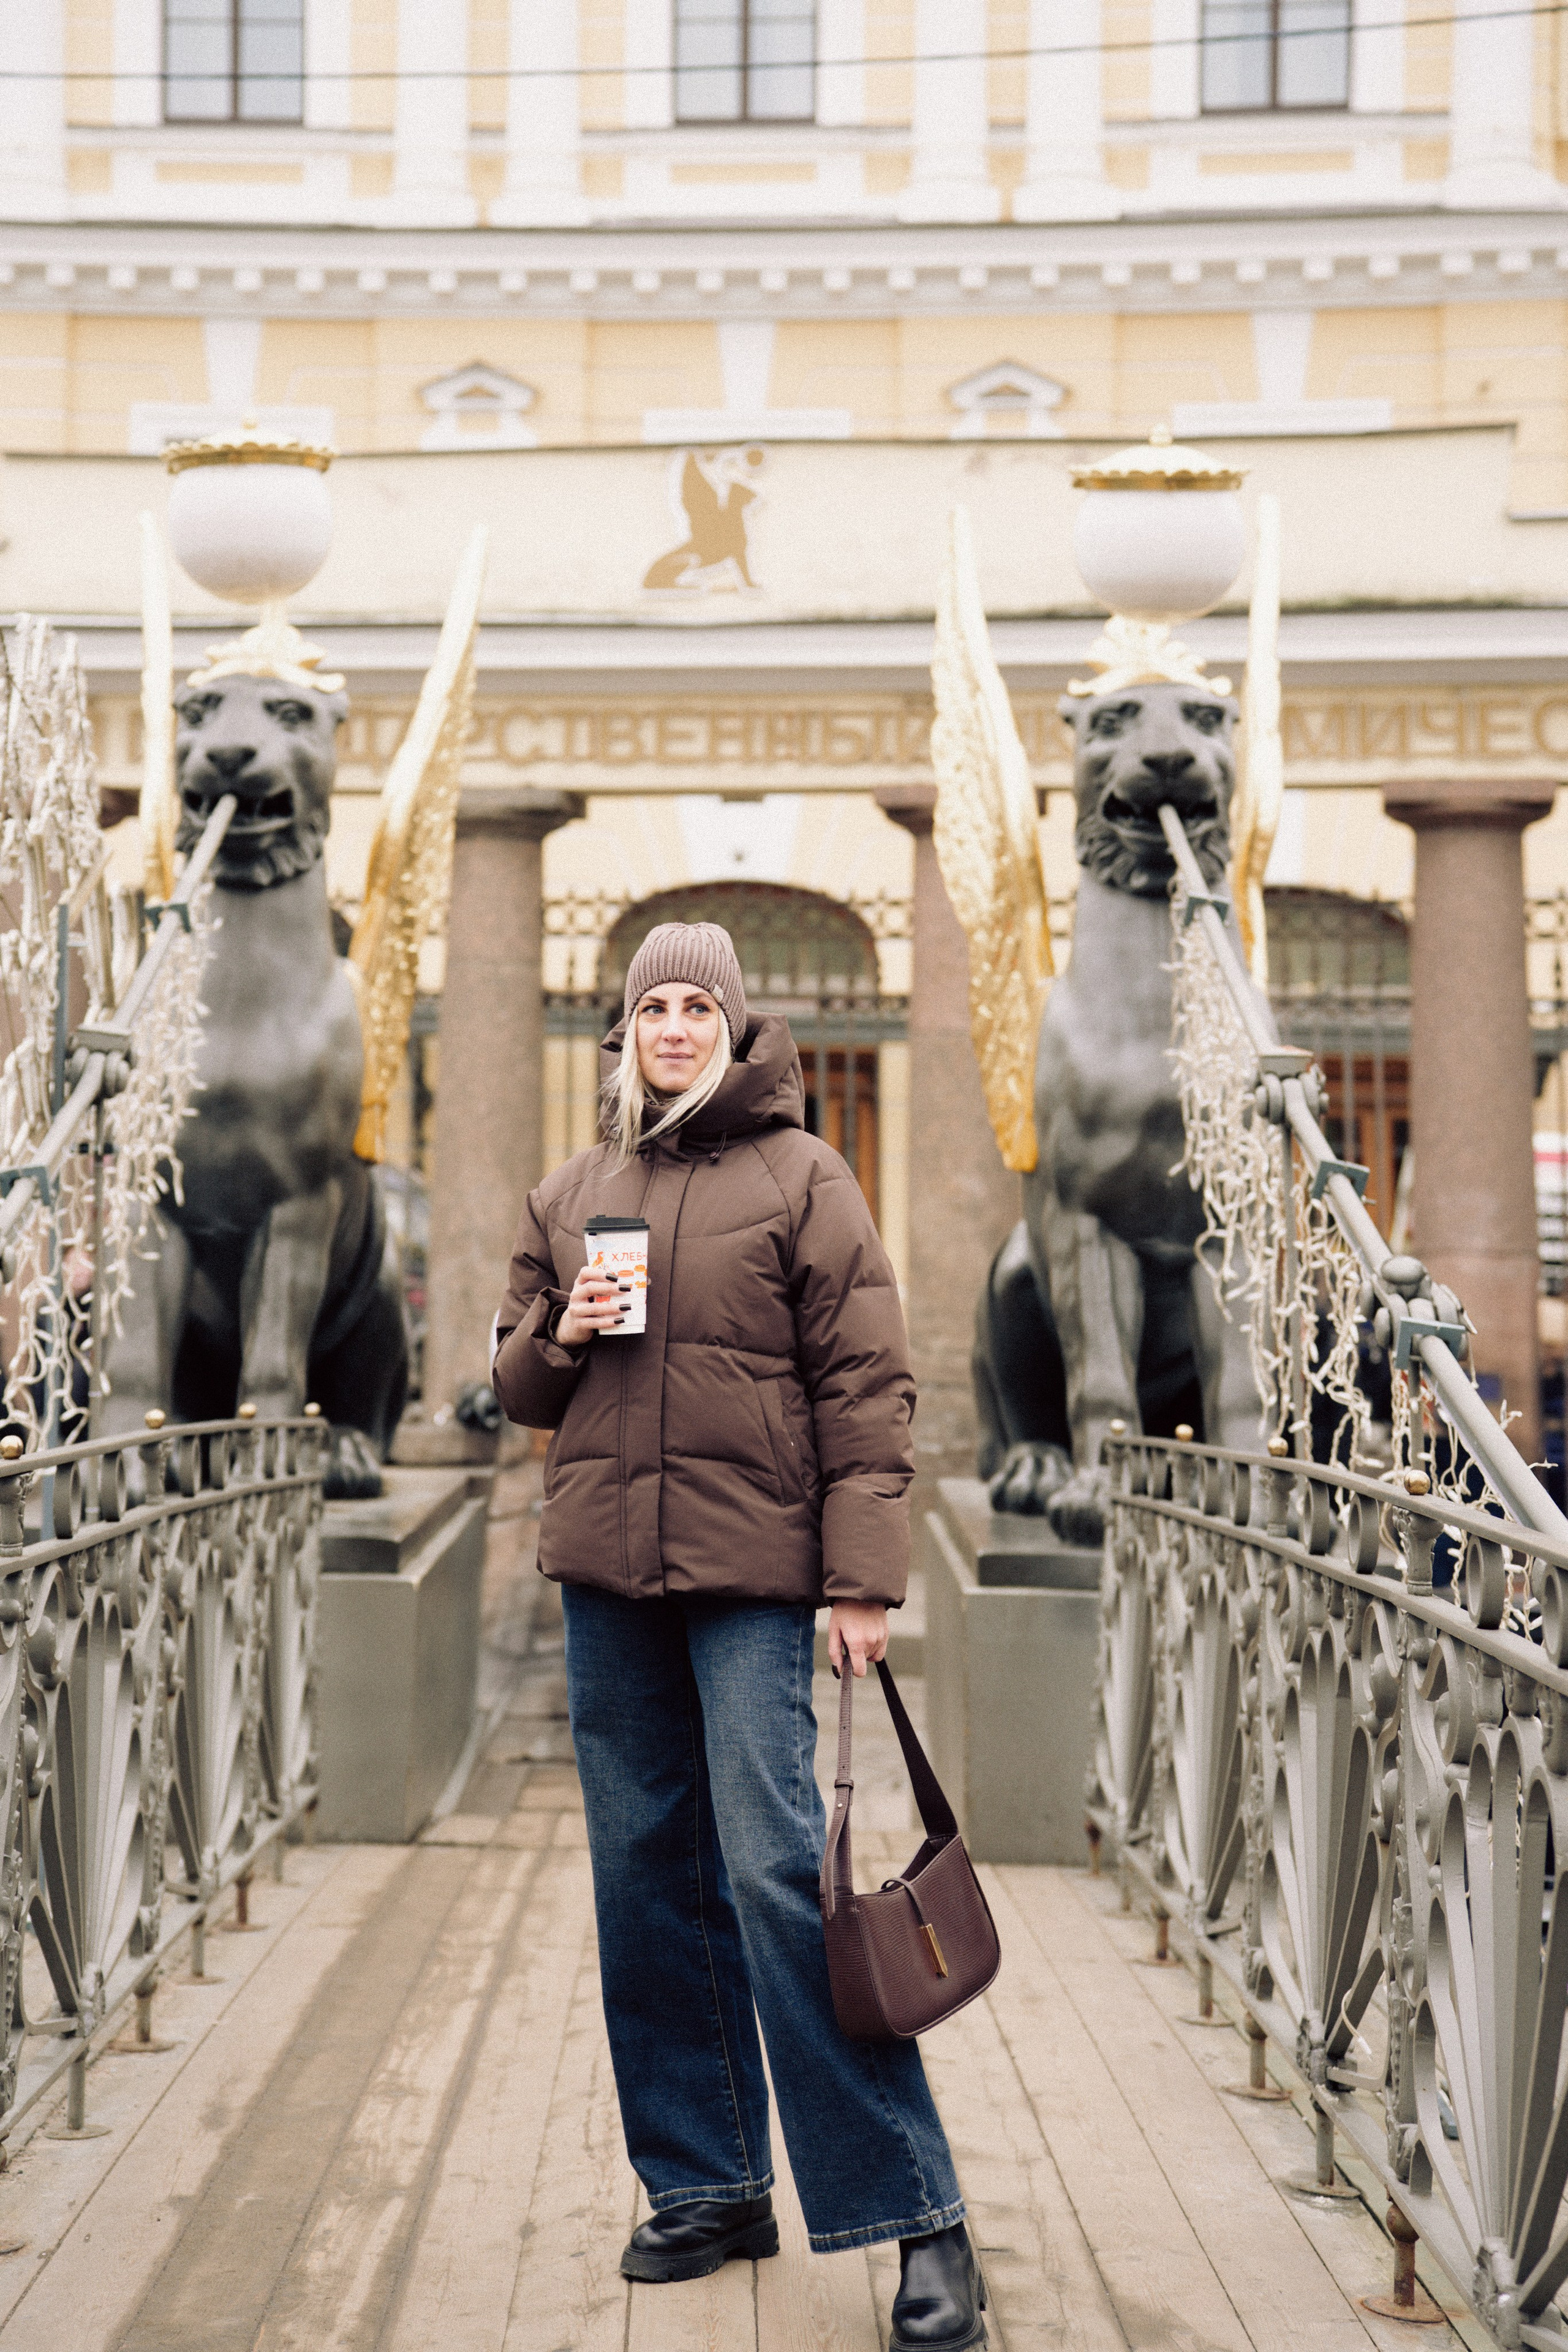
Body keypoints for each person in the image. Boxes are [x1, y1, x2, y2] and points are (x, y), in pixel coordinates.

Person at [492, 921, 986, 2351]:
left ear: (734, 1025)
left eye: (699, 1004)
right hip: (607, 1579)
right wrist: (565, 1331)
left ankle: (915, 2212)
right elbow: (519, 1384)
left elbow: (867, 1384)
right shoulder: (575, 1187)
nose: (675, 1027)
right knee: (643, 1875)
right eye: (653, 1006)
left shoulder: (802, 1178)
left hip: (758, 1582)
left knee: (779, 1877)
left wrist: (862, 1581)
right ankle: (706, 2185)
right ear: (624, 1034)